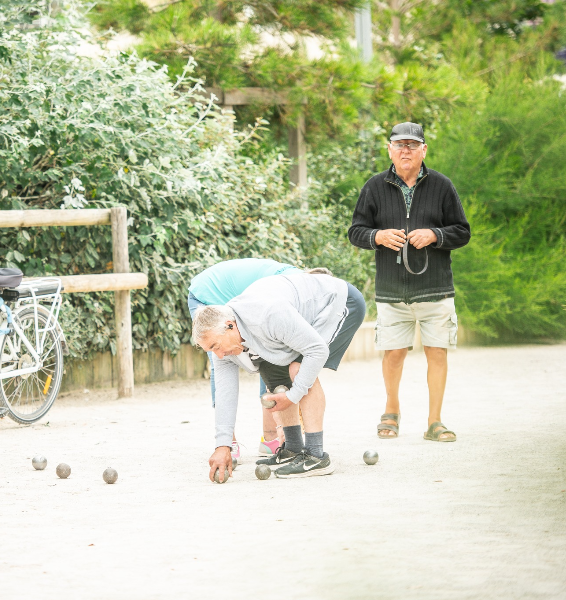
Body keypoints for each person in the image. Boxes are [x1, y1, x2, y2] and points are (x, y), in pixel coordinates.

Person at [348, 122, 470, 443]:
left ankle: (435, 421)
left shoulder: (442, 186)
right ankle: (392, 410)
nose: (406, 150)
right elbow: (356, 231)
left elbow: (463, 231)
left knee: (437, 352)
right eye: (399, 144)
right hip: (392, 291)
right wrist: (377, 236)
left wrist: (435, 234)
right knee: (393, 354)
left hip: (435, 289)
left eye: (412, 145)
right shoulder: (373, 187)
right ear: (389, 149)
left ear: (423, 150)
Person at [192, 272, 365, 480]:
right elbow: (225, 394)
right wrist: (223, 445)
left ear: (230, 325)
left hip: (339, 302)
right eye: (210, 350)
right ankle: (292, 448)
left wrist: (293, 396)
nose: (217, 355)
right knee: (270, 369)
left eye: (216, 346)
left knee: (298, 368)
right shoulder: (224, 346)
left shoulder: (267, 315)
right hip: (296, 317)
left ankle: (316, 456)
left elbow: (316, 350)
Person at [187, 258, 301, 459]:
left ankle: (271, 438)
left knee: (269, 355)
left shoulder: (298, 292)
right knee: (221, 359)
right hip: (207, 296)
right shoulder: (287, 291)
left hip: (237, 299)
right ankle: (226, 443)